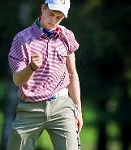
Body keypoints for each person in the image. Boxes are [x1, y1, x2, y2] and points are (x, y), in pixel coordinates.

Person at [7, 0, 83, 149]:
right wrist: (31, 67)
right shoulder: (22, 39)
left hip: (62, 106)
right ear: (43, 8)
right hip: (30, 108)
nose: (53, 20)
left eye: (59, 17)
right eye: (51, 14)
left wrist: (78, 110)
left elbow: (72, 73)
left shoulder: (66, 36)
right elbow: (17, 79)